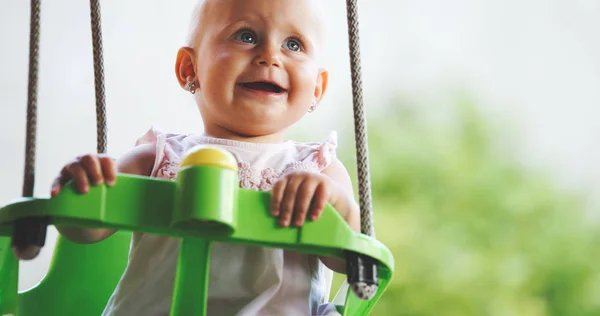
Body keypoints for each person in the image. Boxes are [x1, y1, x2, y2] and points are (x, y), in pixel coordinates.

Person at [16, 0, 361, 314]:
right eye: (245, 36)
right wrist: (82, 186)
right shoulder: (158, 158)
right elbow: (84, 230)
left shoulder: (318, 168)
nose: (270, 55)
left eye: (293, 44)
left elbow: (351, 261)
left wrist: (331, 203)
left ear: (317, 87)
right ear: (189, 69)